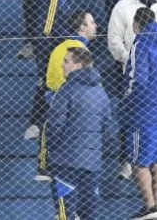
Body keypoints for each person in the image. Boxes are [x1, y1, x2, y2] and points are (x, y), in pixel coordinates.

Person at [46, 46, 113, 220]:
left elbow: (54, 126)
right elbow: (108, 131)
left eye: (66, 61)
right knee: (88, 215)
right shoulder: (101, 93)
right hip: (92, 165)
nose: (62, 66)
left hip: (65, 163)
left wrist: (52, 151)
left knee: (64, 214)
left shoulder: (66, 91)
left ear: (79, 65)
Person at [124, 9, 157, 220]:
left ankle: (150, 207)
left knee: (139, 162)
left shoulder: (140, 44)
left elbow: (138, 79)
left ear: (137, 24)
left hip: (143, 113)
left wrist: (126, 98)